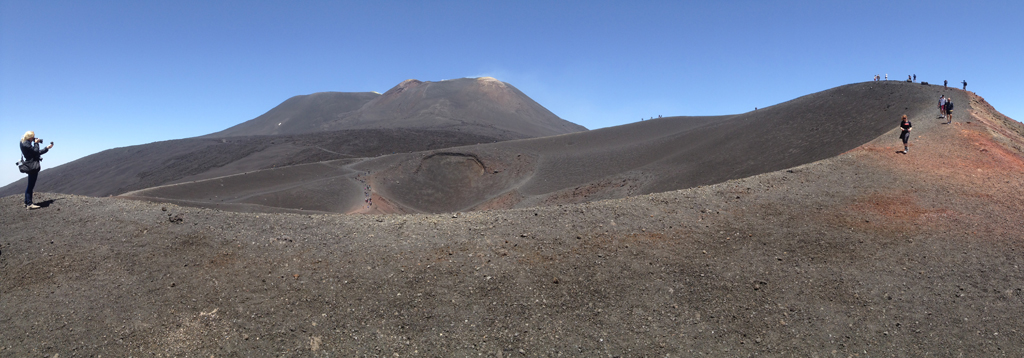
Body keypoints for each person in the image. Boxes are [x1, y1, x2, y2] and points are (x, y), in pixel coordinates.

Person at [19, 131, 53, 209]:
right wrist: (36, 143)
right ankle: (29, 204)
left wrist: (47, 148)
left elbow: (36, 153)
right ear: (30, 137)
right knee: (31, 185)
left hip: (31, 165)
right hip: (32, 166)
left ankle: (26, 202)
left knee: (30, 185)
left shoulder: (24, 143)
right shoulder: (25, 143)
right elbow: (36, 151)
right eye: (33, 137)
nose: (33, 139)